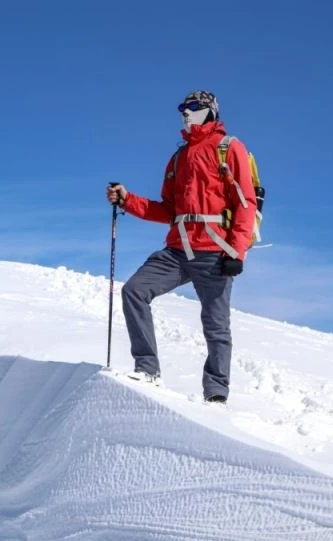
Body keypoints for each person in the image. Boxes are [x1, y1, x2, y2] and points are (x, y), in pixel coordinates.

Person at [106, 90, 257, 404]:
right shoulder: (178, 157)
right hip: (177, 249)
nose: (186, 113)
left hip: (215, 251)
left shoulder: (229, 148)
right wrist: (127, 199)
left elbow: (245, 202)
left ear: (210, 111)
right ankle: (147, 368)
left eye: (194, 108)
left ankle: (216, 393)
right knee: (134, 290)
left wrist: (237, 251)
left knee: (216, 324)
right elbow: (167, 210)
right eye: (182, 109)